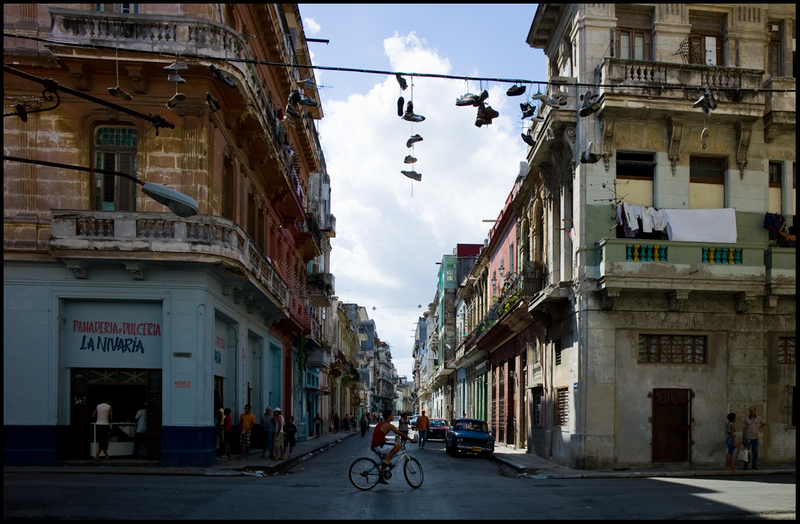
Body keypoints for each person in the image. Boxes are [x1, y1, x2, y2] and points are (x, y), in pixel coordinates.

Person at [370, 409, 416, 483]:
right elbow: (400, 433)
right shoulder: (388, 425)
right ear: (388, 416)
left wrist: (387, 440)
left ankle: (380, 478)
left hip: (375, 445)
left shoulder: (380, 423)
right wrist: (411, 439)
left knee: (385, 457)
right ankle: (387, 460)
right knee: (399, 445)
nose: (393, 416)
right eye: (391, 415)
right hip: (379, 445)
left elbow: (379, 435)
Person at [741, 406, 766, 470]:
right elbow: (744, 429)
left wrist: (760, 427)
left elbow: (764, 423)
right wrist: (743, 439)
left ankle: (754, 465)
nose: (751, 411)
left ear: (755, 411)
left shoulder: (759, 418)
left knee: (755, 452)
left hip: (755, 437)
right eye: (750, 410)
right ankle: (746, 465)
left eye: (752, 410)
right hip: (748, 437)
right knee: (747, 452)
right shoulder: (746, 419)